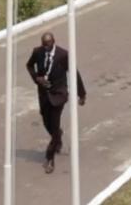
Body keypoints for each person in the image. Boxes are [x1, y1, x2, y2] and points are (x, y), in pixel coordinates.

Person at [26, 31, 87, 173]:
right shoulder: (37, 52)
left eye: (48, 45)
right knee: (47, 122)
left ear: (53, 42)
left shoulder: (63, 55)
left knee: (54, 126)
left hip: (59, 95)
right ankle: (58, 135)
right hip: (44, 95)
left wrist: (82, 94)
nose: (45, 48)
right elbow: (29, 65)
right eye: (43, 45)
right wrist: (37, 78)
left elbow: (74, 73)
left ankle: (50, 157)